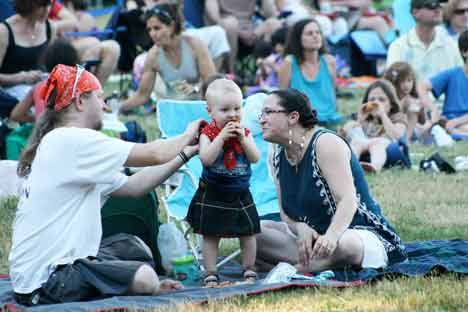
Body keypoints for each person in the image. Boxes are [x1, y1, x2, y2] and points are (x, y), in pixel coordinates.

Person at [9, 64, 204, 305]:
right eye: (100, 97)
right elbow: (155, 153)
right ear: (80, 101)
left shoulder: (65, 143)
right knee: (145, 277)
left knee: (134, 248)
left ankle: (127, 282)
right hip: (47, 282)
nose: (105, 106)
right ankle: (141, 286)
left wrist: (186, 153)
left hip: (56, 266)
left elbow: (134, 187)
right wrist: (189, 133)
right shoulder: (72, 140)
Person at [255, 89, 407, 273]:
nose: (261, 119)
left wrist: (332, 236)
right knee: (255, 232)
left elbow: (348, 201)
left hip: (354, 233)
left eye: (269, 112)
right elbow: (286, 214)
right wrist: (301, 228)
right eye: (261, 113)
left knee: (345, 245)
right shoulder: (276, 154)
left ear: (293, 117)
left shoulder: (325, 143)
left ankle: (295, 269)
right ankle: (315, 263)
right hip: (313, 239)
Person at [186, 79, 261, 286]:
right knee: (211, 235)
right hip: (213, 191)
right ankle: (210, 271)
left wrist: (243, 140)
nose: (233, 114)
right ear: (210, 111)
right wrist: (220, 139)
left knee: (248, 233)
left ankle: (249, 268)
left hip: (240, 192)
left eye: (237, 108)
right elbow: (206, 158)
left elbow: (255, 157)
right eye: (225, 109)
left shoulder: (244, 132)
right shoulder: (207, 133)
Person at [121, 3, 216, 111]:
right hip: (175, 109)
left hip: (201, 105)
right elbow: (142, 96)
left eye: (157, 28)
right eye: (149, 30)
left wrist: (195, 88)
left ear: (172, 26)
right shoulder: (153, 56)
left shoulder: (195, 45)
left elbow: (212, 82)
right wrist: (116, 109)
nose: (152, 34)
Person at [278, 18, 342, 126]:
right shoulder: (289, 63)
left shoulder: (329, 61)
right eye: (309, 33)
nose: (315, 36)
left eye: (318, 32)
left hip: (331, 120)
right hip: (303, 123)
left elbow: (333, 97)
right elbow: (282, 100)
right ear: (298, 39)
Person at [342, 80, 410, 172]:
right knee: (356, 142)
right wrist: (359, 121)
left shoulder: (398, 117)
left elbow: (397, 136)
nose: (376, 103)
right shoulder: (364, 117)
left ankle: (374, 167)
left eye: (382, 100)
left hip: (388, 150)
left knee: (378, 143)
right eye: (372, 100)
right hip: (364, 149)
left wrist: (382, 115)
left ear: (391, 104)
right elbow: (345, 135)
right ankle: (351, 166)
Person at [387, 0, 463, 82]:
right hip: (411, 94)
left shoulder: (452, 44)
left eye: (439, 6)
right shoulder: (398, 46)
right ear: (415, 13)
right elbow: (392, 79)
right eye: (431, 5)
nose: (437, 10)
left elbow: (462, 80)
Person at [49, 0, 121, 85]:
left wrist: (56, 26)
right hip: (60, 48)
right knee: (92, 44)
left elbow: (73, 25)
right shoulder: (48, 5)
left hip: (79, 45)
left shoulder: (83, 16)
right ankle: (84, 90)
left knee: (113, 47)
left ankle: (96, 92)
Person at [10, 38, 80, 123]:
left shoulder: (38, 87)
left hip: (44, 133)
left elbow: (16, 115)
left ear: (46, 62)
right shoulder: (81, 86)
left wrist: (38, 119)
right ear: (75, 61)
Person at [0, 0, 56, 106]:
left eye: (49, 4)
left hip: (42, 86)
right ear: (27, 4)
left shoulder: (50, 27)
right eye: (41, 5)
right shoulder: (4, 31)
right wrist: (21, 77)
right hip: (11, 93)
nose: (47, 10)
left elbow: (53, 66)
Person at [204, 0, 282, 73]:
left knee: (274, 24)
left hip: (249, 28)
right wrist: (239, 32)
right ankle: (230, 73)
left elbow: (272, 15)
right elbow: (213, 16)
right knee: (230, 24)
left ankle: (265, 71)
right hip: (225, 26)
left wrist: (253, 34)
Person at [419, 30, 468, 138]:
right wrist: (434, 110)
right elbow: (421, 87)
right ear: (465, 52)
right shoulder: (453, 74)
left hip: (458, 123)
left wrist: (456, 122)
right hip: (449, 121)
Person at [383, 62, 434, 143]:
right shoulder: (388, 98)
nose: (406, 85)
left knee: (416, 111)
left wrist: (421, 110)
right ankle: (404, 140)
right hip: (392, 128)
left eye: (409, 80)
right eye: (402, 81)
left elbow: (423, 121)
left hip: (410, 131)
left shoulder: (412, 99)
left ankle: (406, 140)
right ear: (394, 82)